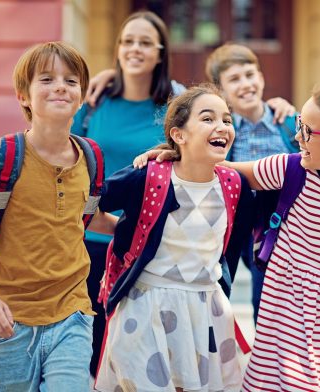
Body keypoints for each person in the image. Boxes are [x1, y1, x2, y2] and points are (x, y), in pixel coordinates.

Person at [134, 84, 320, 391]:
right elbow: (219, 168)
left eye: (307, 131)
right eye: (299, 125)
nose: (297, 137)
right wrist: (180, 154)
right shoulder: (288, 170)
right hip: (287, 319)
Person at [94, 85, 254, 392]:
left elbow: (232, 246)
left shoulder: (235, 186)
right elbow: (85, 207)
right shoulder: (147, 175)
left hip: (205, 309)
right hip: (146, 306)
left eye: (227, 120)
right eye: (208, 119)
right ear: (179, 135)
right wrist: (129, 229)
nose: (222, 126)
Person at [0, 42, 116, 391]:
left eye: (70, 81)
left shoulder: (90, 158)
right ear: (23, 96)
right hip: (9, 319)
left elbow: (89, 216)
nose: (60, 86)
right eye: (47, 79)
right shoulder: (3, 158)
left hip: (72, 310)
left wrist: (143, 233)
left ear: (81, 95)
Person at [70, 10, 185, 376]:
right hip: (91, 241)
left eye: (145, 42)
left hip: (152, 247)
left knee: (144, 355)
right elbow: (67, 154)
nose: (134, 49)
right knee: (94, 351)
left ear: (160, 52)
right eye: (127, 41)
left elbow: (209, 154)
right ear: (118, 49)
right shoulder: (96, 100)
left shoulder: (177, 103)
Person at [206, 43, 300, 321]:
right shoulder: (221, 132)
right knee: (232, 296)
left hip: (287, 226)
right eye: (234, 79)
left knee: (280, 302)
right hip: (241, 227)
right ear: (221, 91)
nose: (245, 84)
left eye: (250, 74)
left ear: (260, 77)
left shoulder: (290, 124)